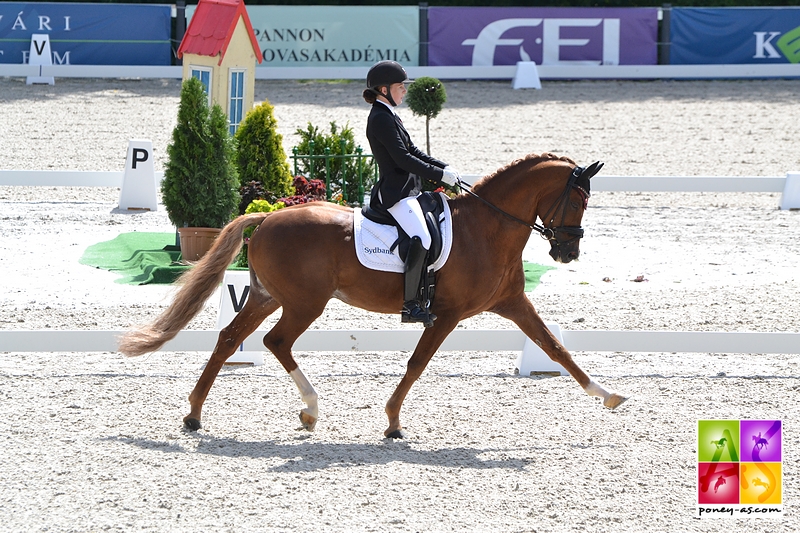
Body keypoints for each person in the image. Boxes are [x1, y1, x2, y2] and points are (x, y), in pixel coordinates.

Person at [362, 60, 460, 327]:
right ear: (383, 89)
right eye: (400, 86)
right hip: (396, 194)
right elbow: (403, 159)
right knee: (421, 237)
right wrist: (438, 176)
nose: (404, 91)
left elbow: (414, 150)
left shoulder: (390, 114)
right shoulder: (380, 118)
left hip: (409, 191)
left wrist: (443, 167)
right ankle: (411, 304)